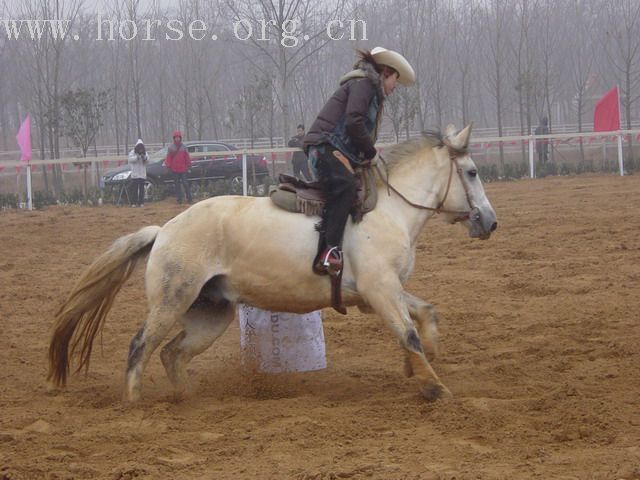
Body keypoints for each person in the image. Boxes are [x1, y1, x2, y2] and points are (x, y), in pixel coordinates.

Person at [303, 47, 415, 276]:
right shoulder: (364, 85)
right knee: (346, 187)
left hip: (333, 148)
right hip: (325, 147)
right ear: (385, 73)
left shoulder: (367, 89)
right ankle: (330, 250)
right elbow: (354, 123)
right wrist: (372, 153)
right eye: (395, 79)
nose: (395, 87)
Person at [164, 130, 192, 204]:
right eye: (176, 137)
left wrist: (189, 165)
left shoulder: (184, 147)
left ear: (180, 138)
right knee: (177, 185)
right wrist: (168, 166)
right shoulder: (170, 147)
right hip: (174, 169)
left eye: (178, 137)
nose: (177, 139)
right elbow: (168, 158)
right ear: (174, 138)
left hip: (183, 168)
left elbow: (187, 157)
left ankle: (189, 198)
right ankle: (179, 199)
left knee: (185, 184)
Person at [128, 138, 148, 207]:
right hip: (135, 174)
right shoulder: (132, 152)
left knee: (142, 189)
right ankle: (133, 202)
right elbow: (130, 159)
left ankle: (141, 202)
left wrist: (144, 157)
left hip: (142, 174)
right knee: (135, 189)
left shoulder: (145, 153)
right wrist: (137, 157)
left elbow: (148, 160)